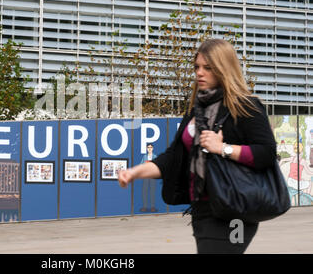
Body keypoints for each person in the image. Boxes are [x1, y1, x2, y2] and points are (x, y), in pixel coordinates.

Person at [118, 38, 277, 254]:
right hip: (203, 209)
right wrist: (135, 172)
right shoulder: (197, 111)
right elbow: (172, 158)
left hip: (235, 210)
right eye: (197, 67)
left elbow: (267, 153)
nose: (199, 73)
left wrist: (223, 148)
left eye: (207, 68)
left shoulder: (246, 106)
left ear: (223, 69)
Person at [139, 144, 157, 212]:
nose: (149, 148)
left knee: (152, 191)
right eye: (148, 147)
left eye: (151, 147)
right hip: (146, 176)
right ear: (146, 149)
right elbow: (141, 165)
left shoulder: (155, 156)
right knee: (145, 191)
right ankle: (145, 206)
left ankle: (152, 206)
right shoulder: (144, 157)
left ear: (152, 148)